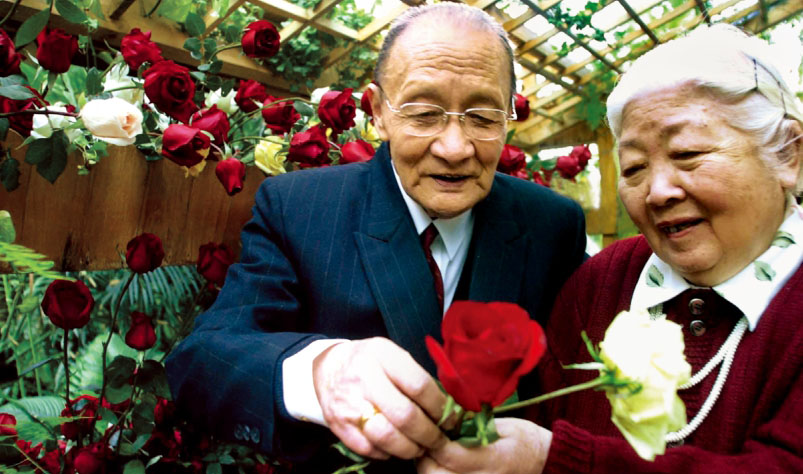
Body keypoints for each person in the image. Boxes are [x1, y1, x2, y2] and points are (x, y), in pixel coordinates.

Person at [165, 3, 587, 472]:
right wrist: (320, 373)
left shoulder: (553, 224)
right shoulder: (298, 207)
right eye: (424, 113)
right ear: (377, 112)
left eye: (483, 117)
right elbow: (201, 362)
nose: (454, 147)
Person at [418, 24, 803, 473]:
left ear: (788, 154)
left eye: (688, 154)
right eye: (635, 167)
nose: (657, 192)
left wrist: (554, 461)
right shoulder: (600, 284)